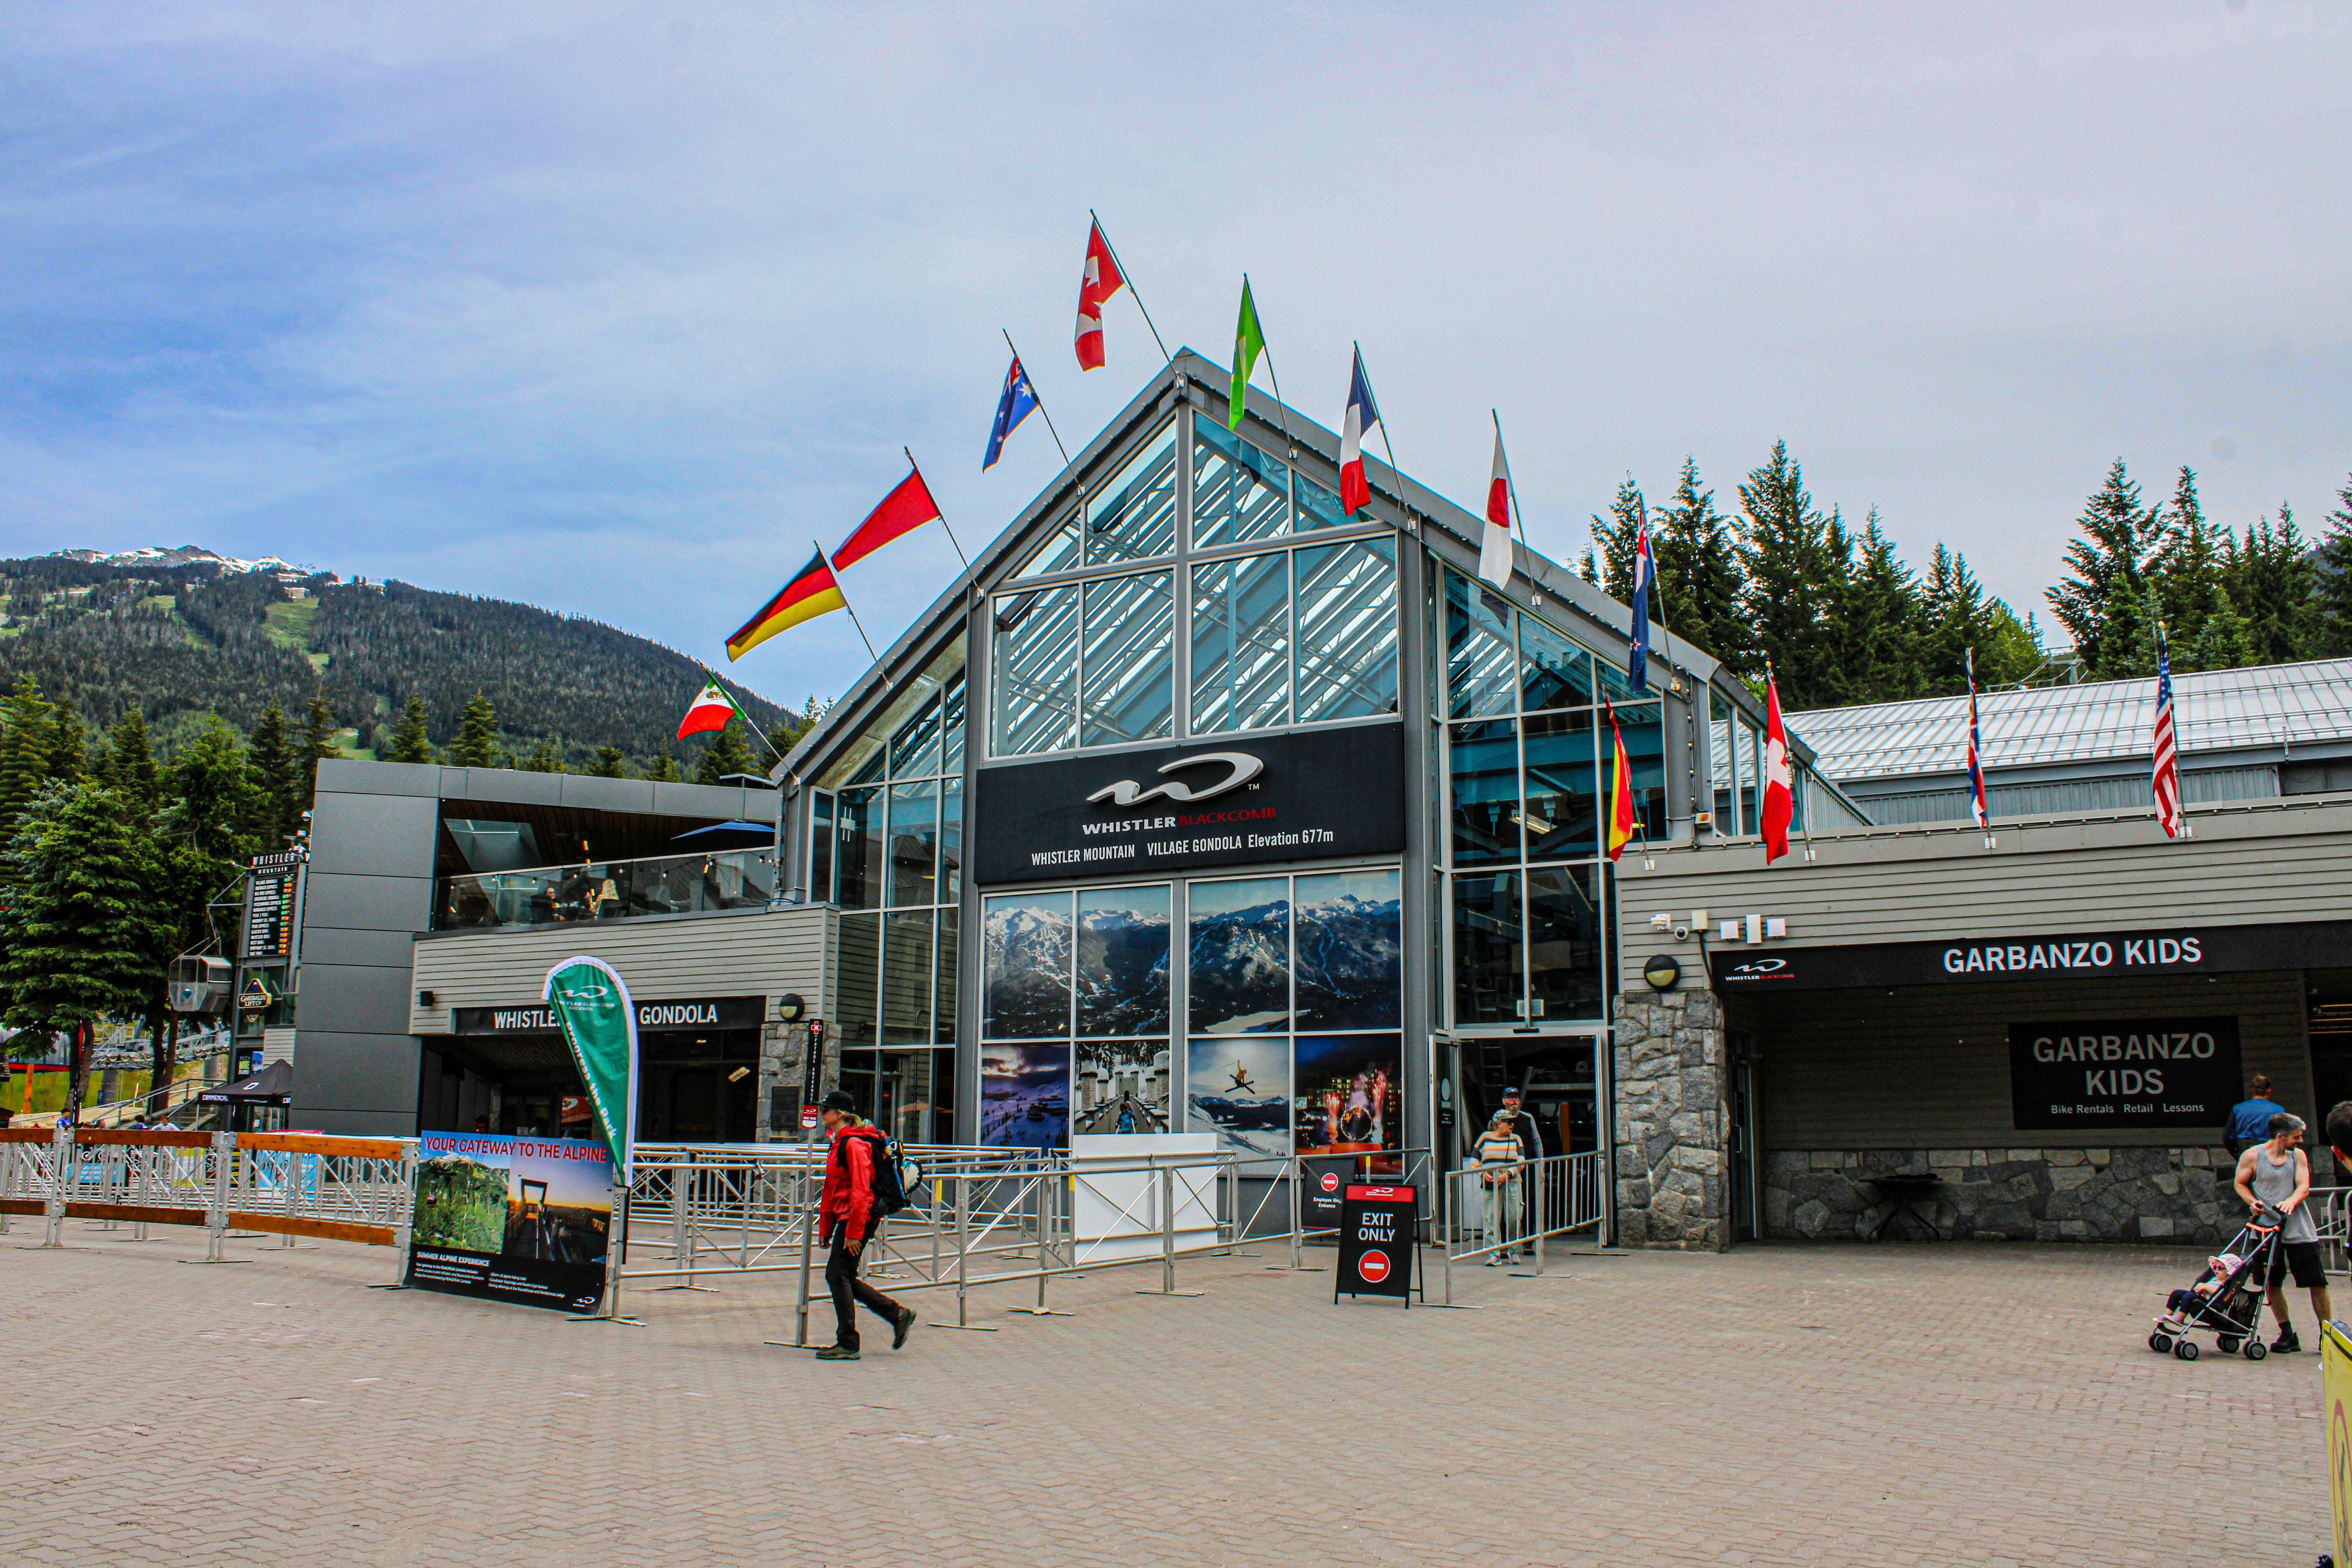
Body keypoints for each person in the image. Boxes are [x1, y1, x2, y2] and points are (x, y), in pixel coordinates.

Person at [813, 1089, 916, 1363]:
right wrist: (825, 1229)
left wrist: (853, 1233)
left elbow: (861, 1191)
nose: (822, 1113)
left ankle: (849, 1342)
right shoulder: (839, 1142)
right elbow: (831, 1188)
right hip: (848, 1217)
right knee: (841, 1275)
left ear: (841, 1114)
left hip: (857, 1217)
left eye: (826, 1109)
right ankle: (896, 1315)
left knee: (838, 1275)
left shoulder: (854, 1145)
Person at [2233, 1111, 2331, 1354]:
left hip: (2298, 1229)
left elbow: (2304, 1186)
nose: (2300, 1141)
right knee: (2271, 1282)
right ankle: (2287, 1334)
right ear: (2280, 1137)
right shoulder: (2253, 1156)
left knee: (2317, 1283)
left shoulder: (2297, 1156)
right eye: (2296, 1137)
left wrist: (2292, 1201)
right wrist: (2252, 1202)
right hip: (2265, 1230)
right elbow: (2240, 1183)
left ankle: (2326, 1335)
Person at [1474, 1111, 1525, 1264]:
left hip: (1512, 1182)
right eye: (1508, 1122)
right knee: (1491, 1217)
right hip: (1491, 1183)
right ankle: (1494, 1253)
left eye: (1512, 1122)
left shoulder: (1516, 1139)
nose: (1512, 1125)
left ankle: (1513, 1249)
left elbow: (1522, 1160)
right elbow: (1474, 1158)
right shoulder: (1485, 1137)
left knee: (1514, 1215)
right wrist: (1483, 1174)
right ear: (1499, 1123)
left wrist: (1508, 1174)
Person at [2223, 1075, 2288, 1158]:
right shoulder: (2279, 1110)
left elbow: (2227, 1136)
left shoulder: (2238, 1109)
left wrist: (2236, 1153)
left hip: (2245, 1150)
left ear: (2251, 1091)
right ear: (2269, 1091)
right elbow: (2283, 1135)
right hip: (2270, 1151)